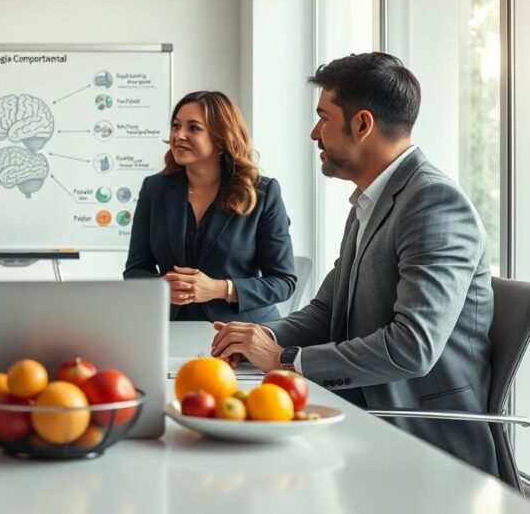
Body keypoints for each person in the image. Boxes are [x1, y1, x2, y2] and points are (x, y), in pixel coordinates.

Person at [211, 52, 497, 475]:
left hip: (423, 440)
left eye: (323, 117)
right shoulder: (370, 200)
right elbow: (328, 310)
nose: (314, 133)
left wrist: (286, 360)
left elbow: (412, 347)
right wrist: (259, 337)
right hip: (365, 414)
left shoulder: (434, 203)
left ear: (362, 124)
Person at [123, 91, 296, 323]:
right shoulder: (153, 189)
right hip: (172, 328)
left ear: (221, 137)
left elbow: (283, 282)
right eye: (176, 126)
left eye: (193, 128)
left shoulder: (263, 193)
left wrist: (220, 288)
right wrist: (161, 287)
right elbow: (135, 272)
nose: (179, 135)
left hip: (243, 331)